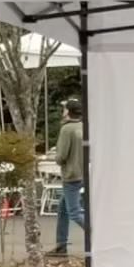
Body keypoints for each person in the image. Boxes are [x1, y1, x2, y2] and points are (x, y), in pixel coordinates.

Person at [51, 98, 85, 256]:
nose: (62, 111)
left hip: (71, 174)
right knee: (63, 210)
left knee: (74, 212)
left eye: (64, 108)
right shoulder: (82, 126)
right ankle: (61, 244)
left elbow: (62, 156)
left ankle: (97, 233)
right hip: (82, 172)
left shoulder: (66, 129)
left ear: (68, 112)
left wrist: (56, 157)